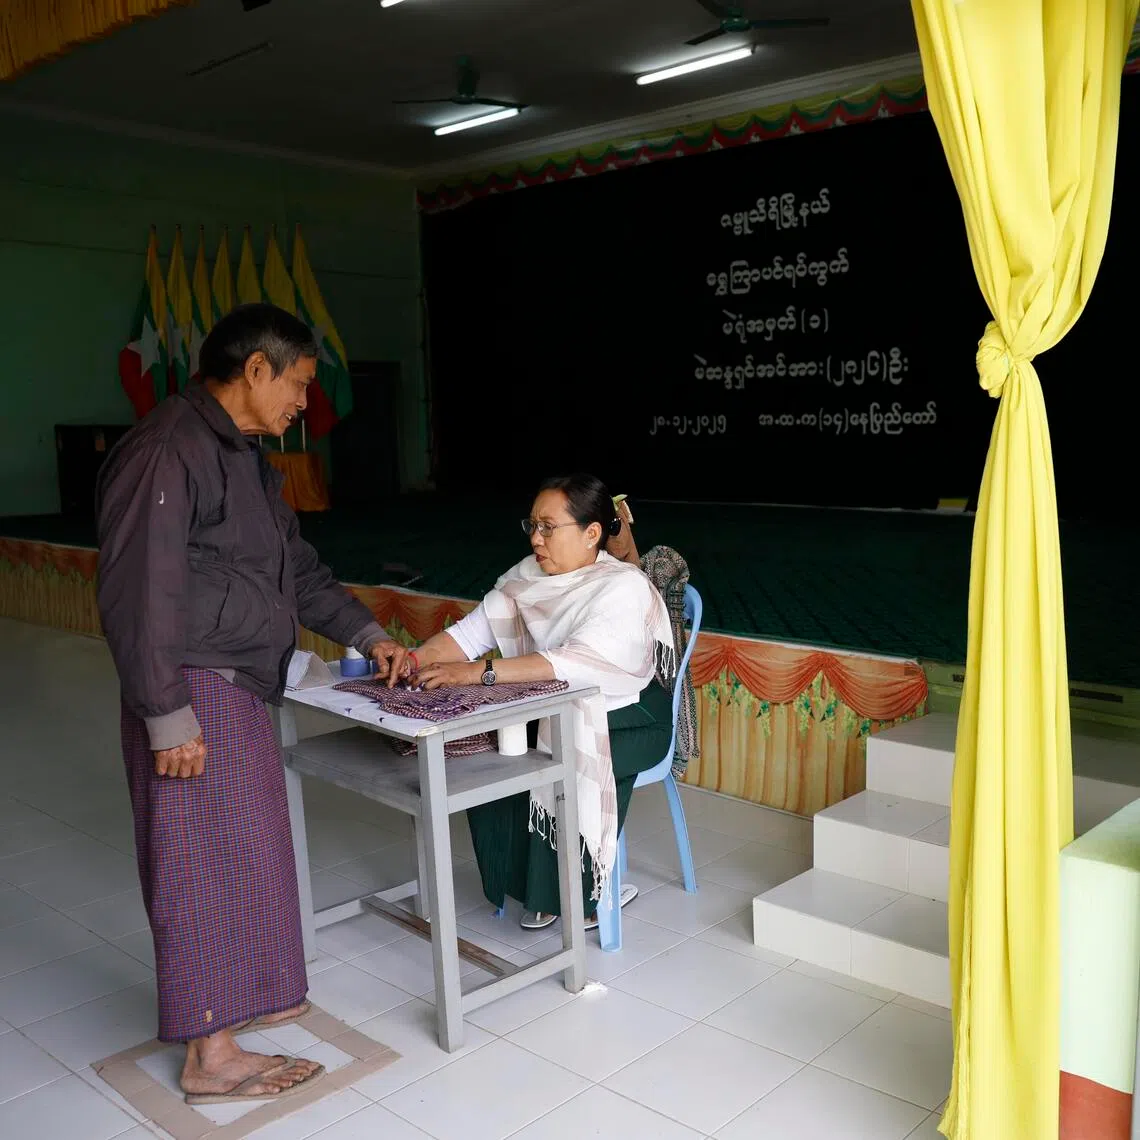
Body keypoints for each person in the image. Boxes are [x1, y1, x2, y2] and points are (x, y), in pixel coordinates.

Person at [95, 303, 405, 1104]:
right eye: (300, 382)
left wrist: (370, 636)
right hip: (192, 687)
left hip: (236, 682)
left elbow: (296, 571)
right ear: (257, 369)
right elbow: (138, 590)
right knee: (199, 865)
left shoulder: (245, 460)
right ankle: (210, 1056)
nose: (306, 401)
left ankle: (243, 1003)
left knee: (249, 850)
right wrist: (167, 716)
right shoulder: (169, 448)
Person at [389, 474, 675, 930]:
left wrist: (479, 673)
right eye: (532, 526)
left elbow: (571, 662)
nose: (536, 539)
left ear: (591, 533)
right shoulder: (526, 579)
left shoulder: (623, 587)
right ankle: (526, 886)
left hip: (630, 714)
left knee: (560, 750)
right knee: (492, 751)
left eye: (548, 527)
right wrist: (413, 660)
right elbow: (468, 636)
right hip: (554, 708)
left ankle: (577, 891)